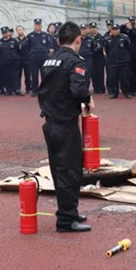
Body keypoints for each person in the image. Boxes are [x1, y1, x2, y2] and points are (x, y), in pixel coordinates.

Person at [37, 21, 93, 233]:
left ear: (59, 40)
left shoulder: (49, 61)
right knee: (69, 171)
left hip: (51, 122)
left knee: (60, 169)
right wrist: (88, 99)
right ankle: (66, 220)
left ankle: (70, 210)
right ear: (78, 40)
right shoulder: (75, 62)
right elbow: (78, 89)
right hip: (65, 124)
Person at [104, 23, 133, 99]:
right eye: (113, 29)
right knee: (113, 78)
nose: (115, 31)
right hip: (112, 62)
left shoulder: (124, 37)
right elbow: (107, 50)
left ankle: (126, 92)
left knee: (124, 78)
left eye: (116, 29)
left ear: (119, 30)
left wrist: (127, 58)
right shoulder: (107, 39)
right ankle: (114, 93)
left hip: (123, 61)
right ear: (111, 30)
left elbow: (129, 48)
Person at [0, 26, 21, 95]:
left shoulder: (14, 41)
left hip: (14, 62)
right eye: (3, 33)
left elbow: (18, 50)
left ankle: (17, 89)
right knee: (6, 76)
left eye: (6, 32)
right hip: (4, 62)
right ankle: (8, 90)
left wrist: (16, 57)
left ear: (8, 32)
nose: (5, 34)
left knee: (15, 76)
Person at [89, 21, 106, 94]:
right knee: (93, 74)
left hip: (99, 57)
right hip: (91, 58)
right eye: (92, 28)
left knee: (100, 73)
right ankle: (95, 88)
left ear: (97, 28)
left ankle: (101, 88)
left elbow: (102, 47)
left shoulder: (101, 37)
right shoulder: (88, 38)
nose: (93, 29)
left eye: (94, 28)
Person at [15, 25, 31, 94]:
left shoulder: (28, 39)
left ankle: (28, 88)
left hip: (27, 59)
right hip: (18, 60)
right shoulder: (15, 40)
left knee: (28, 74)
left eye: (21, 29)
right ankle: (18, 89)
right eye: (18, 30)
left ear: (23, 30)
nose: (20, 31)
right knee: (18, 75)